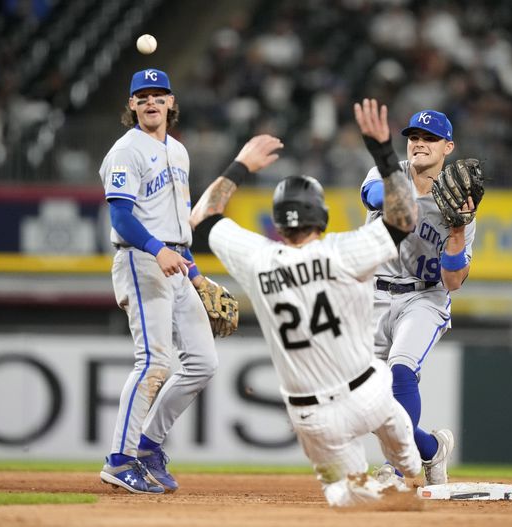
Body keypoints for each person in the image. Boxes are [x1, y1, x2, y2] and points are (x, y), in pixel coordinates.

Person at [189, 99, 422, 507]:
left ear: (278, 222)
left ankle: (365, 492)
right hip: (368, 395)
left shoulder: (258, 259)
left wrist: (240, 165)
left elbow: (202, 216)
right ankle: (411, 472)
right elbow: (405, 218)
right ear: (322, 215)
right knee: (405, 451)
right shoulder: (344, 252)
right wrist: (384, 152)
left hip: (311, 418)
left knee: (344, 493)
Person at [98, 68, 223, 494]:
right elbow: (120, 217)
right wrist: (157, 250)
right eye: (143, 96)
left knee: (203, 363)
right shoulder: (125, 151)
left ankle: (148, 445)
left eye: (158, 95)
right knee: (153, 362)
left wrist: (196, 273)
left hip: (176, 261)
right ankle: (119, 460)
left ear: (171, 103)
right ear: (131, 105)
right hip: (142, 259)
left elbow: (177, 226)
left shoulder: (179, 151)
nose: (151, 101)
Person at [359, 109, 477, 486]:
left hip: (424, 298)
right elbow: (372, 195)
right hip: (375, 295)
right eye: (414, 137)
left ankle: (395, 470)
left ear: (448, 147)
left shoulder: (460, 207)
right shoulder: (388, 173)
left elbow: (453, 281)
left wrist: (456, 232)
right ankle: (430, 448)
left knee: (401, 370)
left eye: (429, 138)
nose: (419, 144)